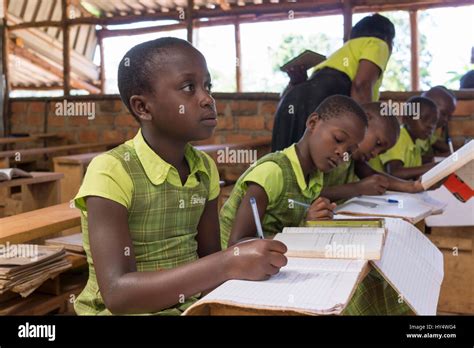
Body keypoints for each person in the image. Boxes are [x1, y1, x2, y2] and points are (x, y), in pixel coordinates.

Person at [73, 37, 288, 315]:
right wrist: (227, 263)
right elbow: (118, 294)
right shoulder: (111, 171)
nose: (207, 99)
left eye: (207, 86)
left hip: (189, 307)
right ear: (143, 107)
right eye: (189, 88)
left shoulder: (203, 168)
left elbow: (208, 259)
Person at [220, 95, 367, 248]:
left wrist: (312, 221)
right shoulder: (272, 172)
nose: (341, 153)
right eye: (338, 139)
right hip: (234, 266)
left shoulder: (315, 178)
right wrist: (303, 230)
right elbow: (236, 245)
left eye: (349, 152)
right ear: (313, 123)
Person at [271, 13, 395, 151]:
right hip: (322, 98)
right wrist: (363, 133)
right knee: (310, 165)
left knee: (284, 159)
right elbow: (361, 85)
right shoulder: (378, 43)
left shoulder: (341, 53)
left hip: (290, 100)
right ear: (388, 39)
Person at [321, 102, 424, 203]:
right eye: (378, 143)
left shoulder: (352, 158)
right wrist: (357, 188)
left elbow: (371, 174)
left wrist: (411, 186)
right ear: (364, 120)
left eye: (381, 152)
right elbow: (310, 197)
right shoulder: (327, 150)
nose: (375, 154)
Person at [379, 96, 439, 180]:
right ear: (406, 119)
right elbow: (394, 172)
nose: (430, 126)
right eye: (424, 119)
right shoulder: (398, 137)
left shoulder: (416, 143)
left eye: (434, 122)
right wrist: (433, 167)